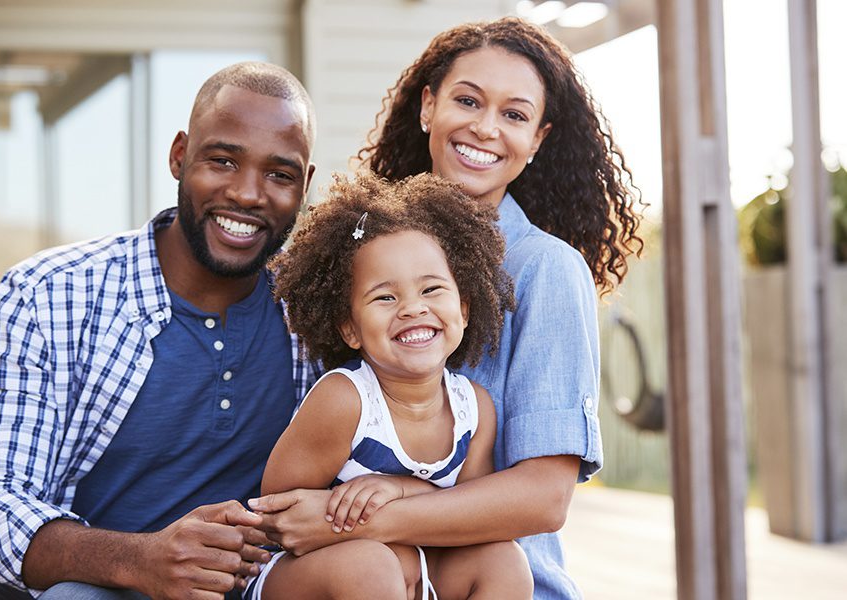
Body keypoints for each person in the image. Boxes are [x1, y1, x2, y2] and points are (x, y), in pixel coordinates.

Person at [247, 16, 643, 600]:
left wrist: (349, 515)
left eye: (515, 114)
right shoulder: (361, 248)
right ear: (428, 106)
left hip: (495, 581)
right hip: (358, 575)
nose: (486, 128)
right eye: (467, 100)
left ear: (537, 138)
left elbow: (544, 496)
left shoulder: (545, 271)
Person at [0, 61, 322, 600]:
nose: (246, 194)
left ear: (305, 185)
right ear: (178, 156)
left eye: (279, 174)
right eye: (222, 160)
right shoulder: (47, 294)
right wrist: (142, 560)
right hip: (87, 585)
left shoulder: (320, 311)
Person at [248, 173, 528, 599]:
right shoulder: (346, 400)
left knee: (503, 560)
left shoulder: (474, 409)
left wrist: (401, 489)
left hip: (415, 572)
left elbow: (470, 517)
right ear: (350, 329)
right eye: (385, 297)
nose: (414, 308)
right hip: (309, 578)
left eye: (432, 289)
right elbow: (280, 514)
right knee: (370, 565)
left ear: (465, 309)